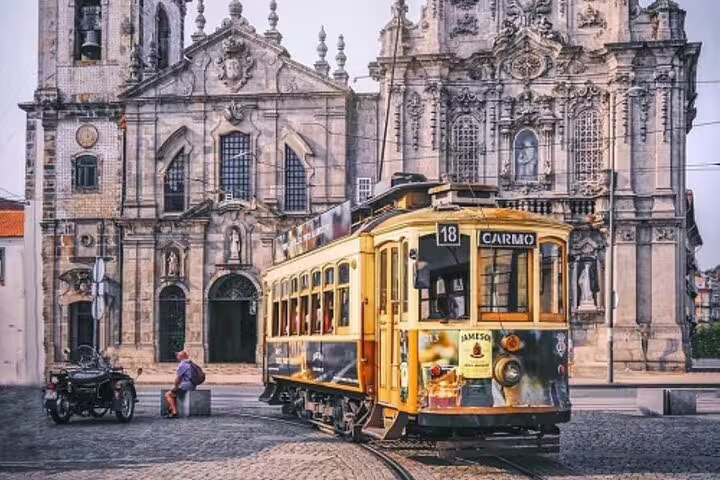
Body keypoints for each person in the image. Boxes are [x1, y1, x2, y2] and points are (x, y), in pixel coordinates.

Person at [164, 351, 196, 418]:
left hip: (186, 385)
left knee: (168, 394)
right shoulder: (191, 363)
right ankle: (171, 409)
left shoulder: (182, 365)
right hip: (192, 385)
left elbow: (178, 379)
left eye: (178, 356)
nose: (177, 357)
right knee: (174, 394)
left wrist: (175, 387)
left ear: (181, 357)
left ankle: (174, 412)